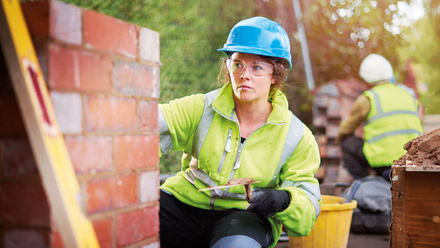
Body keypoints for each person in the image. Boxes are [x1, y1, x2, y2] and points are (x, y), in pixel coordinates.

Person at [158, 17, 321, 248]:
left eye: (256, 67)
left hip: (244, 216)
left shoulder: (297, 136)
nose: (245, 74)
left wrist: (286, 200)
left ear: (275, 75)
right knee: (131, 217)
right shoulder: (201, 108)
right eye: (237, 64)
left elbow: (309, 206)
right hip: (183, 204)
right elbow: (149, 125)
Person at [336, 54, 424, 181]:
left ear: (365, 79)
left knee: (346, 142)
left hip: (384, 164)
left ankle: (367, 183)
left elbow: (344, 131)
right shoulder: (408, 95)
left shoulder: (367, 98)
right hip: (413, 162)